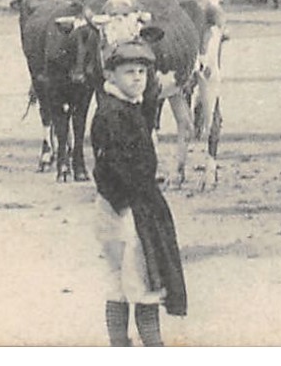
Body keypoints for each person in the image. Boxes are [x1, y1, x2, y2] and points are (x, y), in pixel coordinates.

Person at [90, 40, 187, 346]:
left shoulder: (124, 107)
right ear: (111, 76)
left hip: (116, 206)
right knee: (145, 281)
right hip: (127, 210)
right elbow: (113, 167)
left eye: (142, 72)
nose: (137, 78)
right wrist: (132, 205)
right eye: (129, 71)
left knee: (118, 282)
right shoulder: (114, 114)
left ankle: (119, 346)